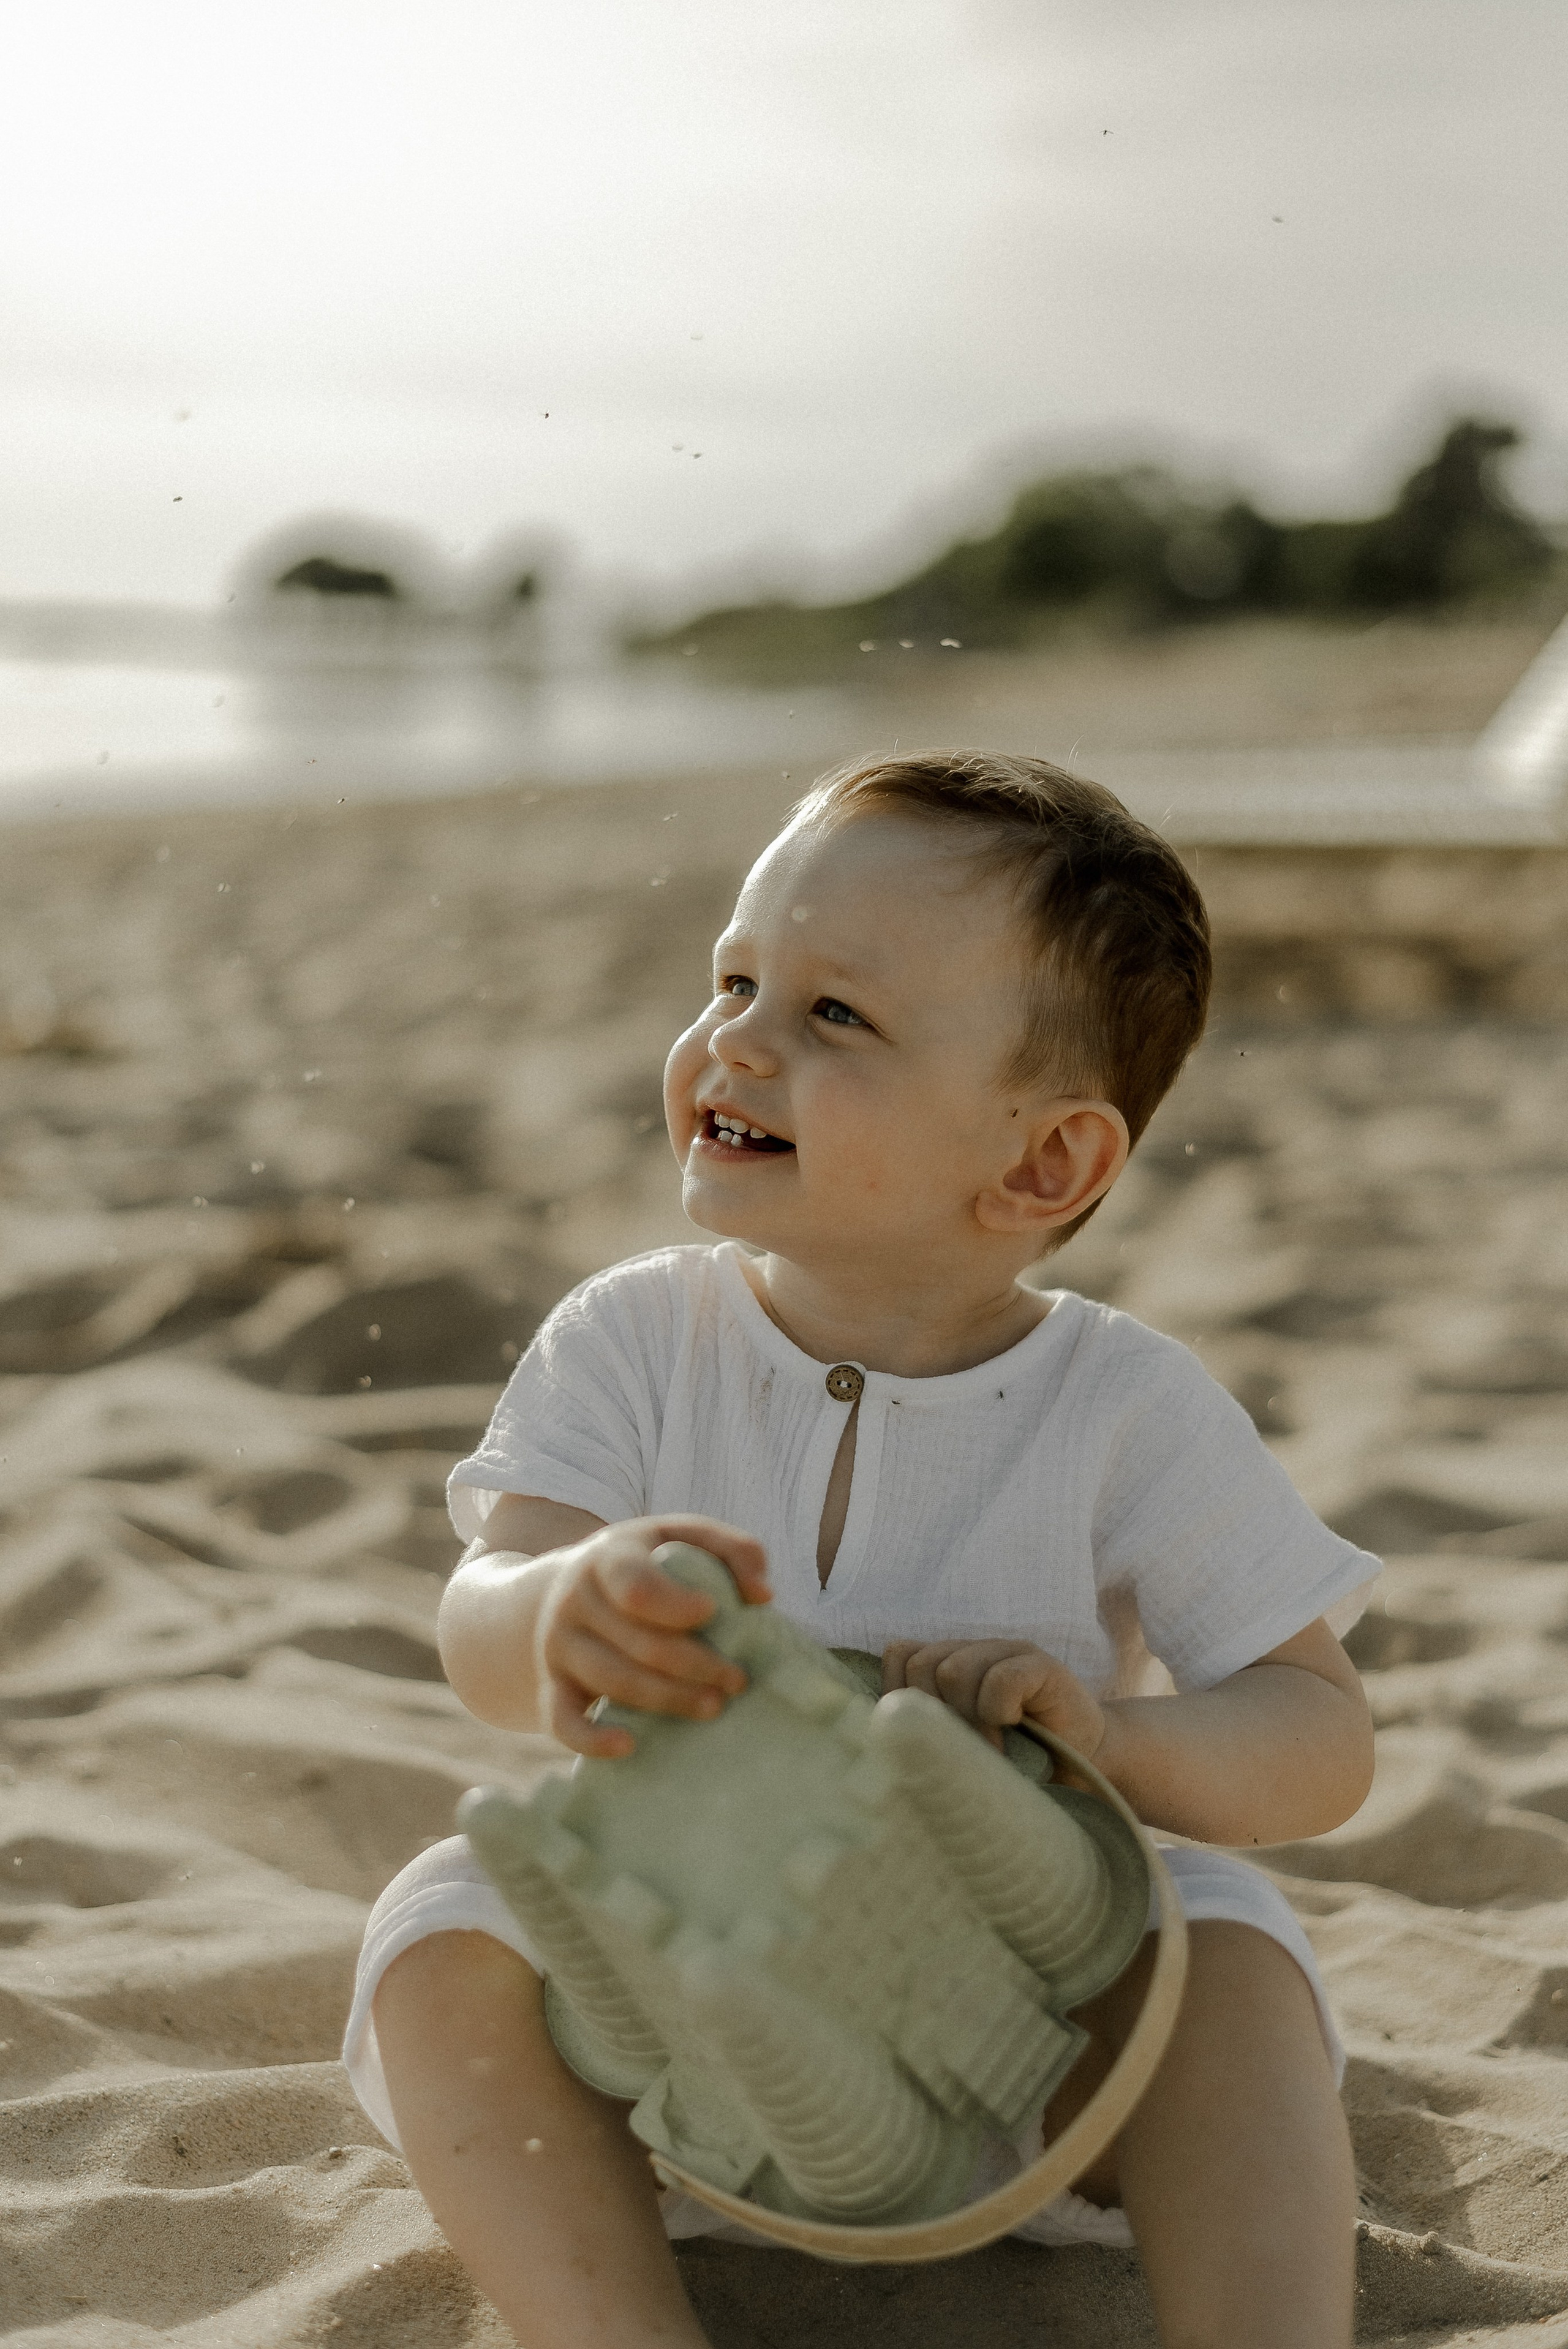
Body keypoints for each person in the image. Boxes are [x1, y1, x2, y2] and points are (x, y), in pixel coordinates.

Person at [344, 751, 1378, 2348]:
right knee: (439, 1920)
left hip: (1023, 2053)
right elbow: (477, 1613)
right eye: (735, 975)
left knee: (1235, 1941)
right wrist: (556, 1609)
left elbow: (1319, 1735)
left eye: (836, 1015)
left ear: (1043, 1162)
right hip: (682, 2035)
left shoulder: (1126, 1405)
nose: (733, 1040)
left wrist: (1112, 1736)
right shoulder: (631, 1336)